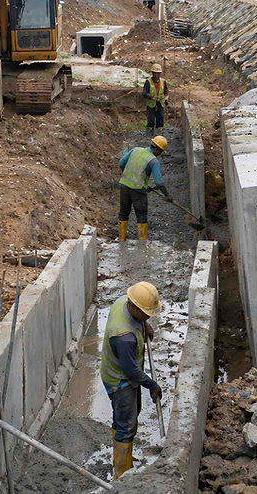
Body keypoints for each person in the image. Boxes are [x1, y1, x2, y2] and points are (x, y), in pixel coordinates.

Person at [101, 281, 163, 479]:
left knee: (125, 417)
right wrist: (152, 385)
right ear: (135, 307)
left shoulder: (123, 301)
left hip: (120, 373)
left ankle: (123, 455)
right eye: (146, 314)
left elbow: (138, 318)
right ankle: (122, 473)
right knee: (127, 425)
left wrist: (145, 325)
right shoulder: (124, 337)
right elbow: (131, 371)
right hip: (120, 380)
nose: (148, 316)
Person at [117, 136, 172, 242]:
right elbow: (159, 182)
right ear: (157, 149)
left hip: (124, 186)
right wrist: (167, 195)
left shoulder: (135, 150)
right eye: (160, 151)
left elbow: (121, 163)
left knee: (123, 213)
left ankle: (121, 239)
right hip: (138, 190)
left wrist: (129, 175)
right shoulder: (153, 161)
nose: (159, 154)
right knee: (141, 216)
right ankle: (142, 244)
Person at [142, 63, 168, 130]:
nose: (157, 75)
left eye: (158, 73)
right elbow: (144, 93)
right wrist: (150, 96)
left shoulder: (163, 81)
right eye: (155, 73)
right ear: (152, 73)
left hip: (160, 102)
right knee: (151, 118)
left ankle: (160, 129)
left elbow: (166, 91)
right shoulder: (148, 82)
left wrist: (165, 99)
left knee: (160, 116)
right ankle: (150, 130)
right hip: (151, 103)